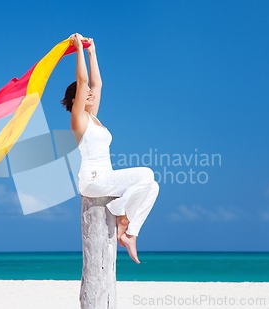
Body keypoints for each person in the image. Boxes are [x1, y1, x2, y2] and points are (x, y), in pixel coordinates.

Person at [61, 34, 159, 264]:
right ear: (77, 99)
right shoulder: (79, 120)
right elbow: (84, 82)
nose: (92, 94)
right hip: (92, 180)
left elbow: (97, 84)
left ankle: (130, 233)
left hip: (106, 177)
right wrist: (77, 51)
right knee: (146, 174)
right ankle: (120, 212)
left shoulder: (93, 118)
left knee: (152, 186)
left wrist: (91, 51)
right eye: (85, 93)